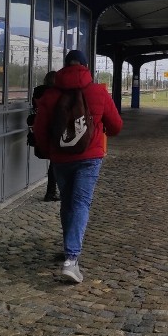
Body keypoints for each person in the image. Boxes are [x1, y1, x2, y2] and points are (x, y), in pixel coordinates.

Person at [33, 50, 123, 283]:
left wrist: (47, 151)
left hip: (61, 159)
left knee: (67, 201)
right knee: (80, 202)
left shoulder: (50, 95)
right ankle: (71, 260)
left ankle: (68, 248)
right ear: (85, 67)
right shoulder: (98, 92)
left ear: (64, 67)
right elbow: (115, 126)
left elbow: (41, 129)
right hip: (89, 157)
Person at [31, 71, 60, 201]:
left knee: (54, 163)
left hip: (41, 130)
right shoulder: (54, 95)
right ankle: (51, 192)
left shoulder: (37, 93)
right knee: (55, 163)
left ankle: (52, 191)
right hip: (54, 131)